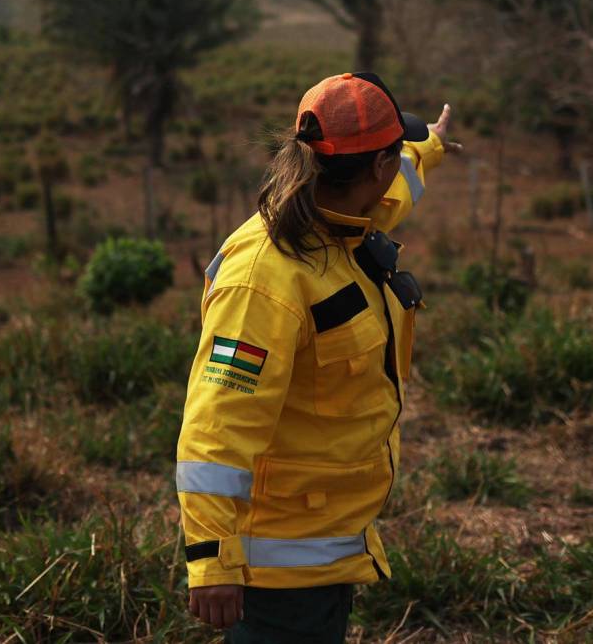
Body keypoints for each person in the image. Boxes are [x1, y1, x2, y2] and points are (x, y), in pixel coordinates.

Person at [175, 72, 460, 643]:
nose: (397, 167)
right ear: (373, 168)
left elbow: (399, 186)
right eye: (393, 154)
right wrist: (211, 561)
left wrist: (428, 146)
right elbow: (216, 428)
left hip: (327, 542)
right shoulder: (265, 280)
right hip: (276, 569)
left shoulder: (345, 223)